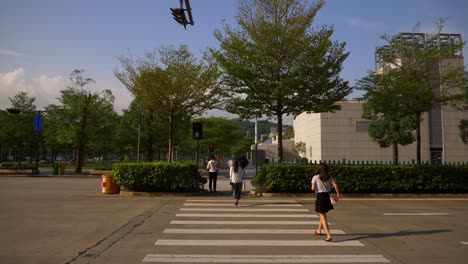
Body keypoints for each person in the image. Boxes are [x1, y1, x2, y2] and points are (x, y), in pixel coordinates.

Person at [311, 163, 341, 242]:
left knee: (322, 215)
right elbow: (335, 185)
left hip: (320, 197)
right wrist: (338, 194)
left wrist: (316, 187)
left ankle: (328, 235)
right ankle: (319, 230)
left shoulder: (315, 177)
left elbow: (312, 188)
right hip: (327, 196)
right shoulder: (329, 177)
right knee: (323, 213)